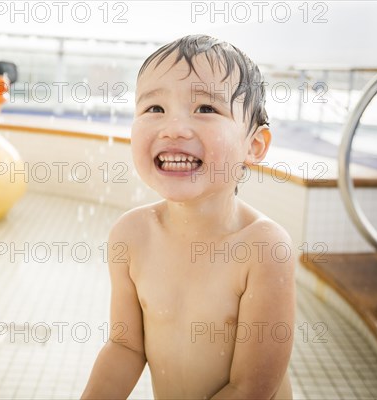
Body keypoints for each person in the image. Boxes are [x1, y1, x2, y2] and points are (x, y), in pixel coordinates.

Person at [82, 35, 295, 399]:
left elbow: (251, 388)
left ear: (254, 146)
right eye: (154, 109)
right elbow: (125, 347)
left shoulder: (264, 248)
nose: (174, 127)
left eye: (206, 109)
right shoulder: (130, 236)